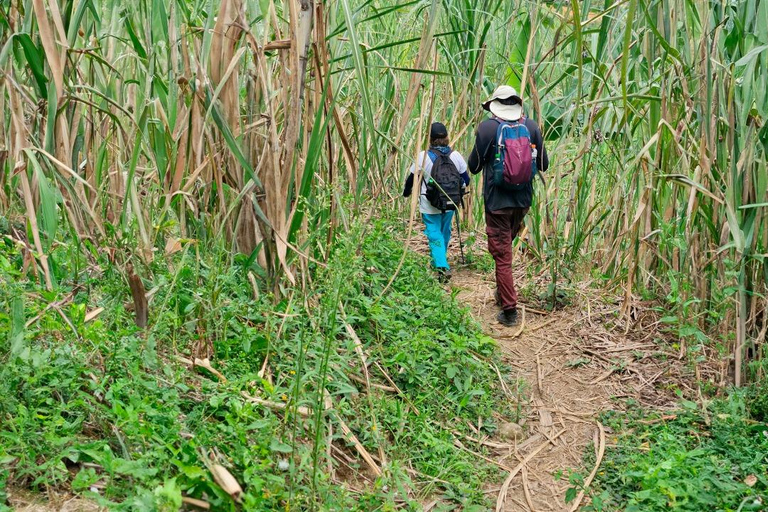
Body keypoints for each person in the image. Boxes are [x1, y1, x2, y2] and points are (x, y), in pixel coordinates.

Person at [468, 85, 549, 326]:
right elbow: (544, 164)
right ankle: (503, 291)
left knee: (502, 257)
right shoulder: (531, 127)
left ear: (495, 105)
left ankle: (510, 310)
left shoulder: (487, 128)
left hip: (497, 204)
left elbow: (473, 166)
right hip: (522, 203)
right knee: (505, 250)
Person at [403, 122, 470, 282]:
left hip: (429, 202)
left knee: (434, 234)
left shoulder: (423, 156)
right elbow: (466, 179)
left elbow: (412, 178)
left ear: (430, 139)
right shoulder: (456, 155)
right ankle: (440, 260)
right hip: (450, 202)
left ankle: (441, 265)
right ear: (447, 138)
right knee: (445, 231)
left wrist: (406, 193)